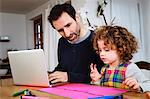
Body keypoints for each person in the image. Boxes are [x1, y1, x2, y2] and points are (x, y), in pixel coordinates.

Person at [47, 3, 103, 84]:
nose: (67, 34)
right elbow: (62, 67)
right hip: (66, 91)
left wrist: (69, 77)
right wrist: (51, 75)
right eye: (60, 30)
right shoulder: (62, 42)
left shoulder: (98, 40)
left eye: (68, 25)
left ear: (77, 18)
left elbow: (103, 76)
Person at [90, 25, 150, 92]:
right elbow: (102, 90)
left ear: (120, 49)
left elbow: (148, 84)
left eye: (106, 50)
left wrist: (139, 86)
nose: (101, 54)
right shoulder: (104, 69)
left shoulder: (130, 68)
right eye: (100, 50)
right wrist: (96, 80)